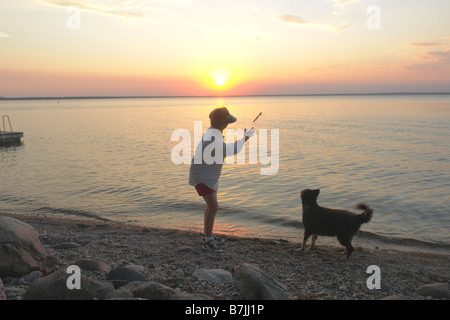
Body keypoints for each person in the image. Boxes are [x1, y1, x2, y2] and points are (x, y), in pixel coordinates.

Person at [189, 106, 255, 251]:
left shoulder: (214, 132)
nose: (227, 125)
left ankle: (208, 234)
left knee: (211, 207)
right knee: (213, 207)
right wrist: (245, 138)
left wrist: (243, 138)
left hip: (207, 175)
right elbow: (230, 150)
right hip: (203, 176)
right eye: (227, 122)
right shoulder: (213, 136)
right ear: (223, 124)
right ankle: (207, 240)